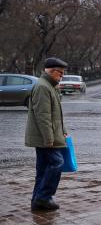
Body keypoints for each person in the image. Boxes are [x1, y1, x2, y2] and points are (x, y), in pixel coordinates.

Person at [25, 57, 68, 211]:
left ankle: (37, 202)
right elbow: (43, 116)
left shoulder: (50, 86)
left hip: (47, 136)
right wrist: (49, 139)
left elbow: (56, 114)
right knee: (57, 163)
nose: (62, 76)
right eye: (60, 73)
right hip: (46, 138)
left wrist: (63, 131)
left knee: (43, 169)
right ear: (51, 71)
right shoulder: (43, 87)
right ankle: (43, 197)